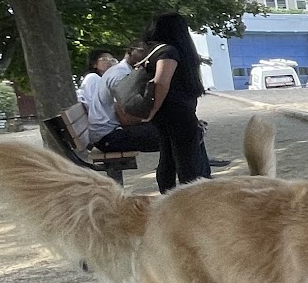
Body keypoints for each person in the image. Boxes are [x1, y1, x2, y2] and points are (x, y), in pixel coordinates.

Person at [137, 12, 213, 190]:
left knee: (168, 156)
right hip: (178, 112)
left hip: (168, 113)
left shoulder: (156, 51)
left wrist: (154, 111)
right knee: (187, 161)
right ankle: (188, 198)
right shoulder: (169, 52)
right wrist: (152, 110)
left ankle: (168, 195)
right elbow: (161, 83)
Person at [78, 48, 160, 154]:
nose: (109, 61)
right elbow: (125, 118)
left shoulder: (114, 73)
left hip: (107, 132)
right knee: (167, 134)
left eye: (112, 59)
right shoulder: (115, 76)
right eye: (104, 59)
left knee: (166, 130)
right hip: (107, 137)